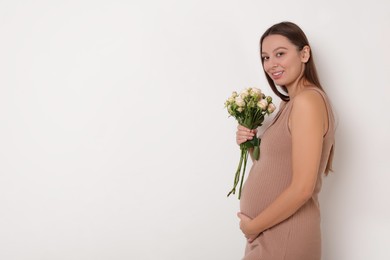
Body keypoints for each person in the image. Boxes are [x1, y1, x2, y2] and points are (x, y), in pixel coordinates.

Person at [236, 21, 335, 260]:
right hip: (271, 233)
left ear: (304, 53)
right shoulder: (289, 103)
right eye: (265, 57)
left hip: (285, 236)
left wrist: (254, 226)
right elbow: (275, 168)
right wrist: (249, 143)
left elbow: (303, 188)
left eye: (280, 53)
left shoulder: (307, 102)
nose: (271, 64)